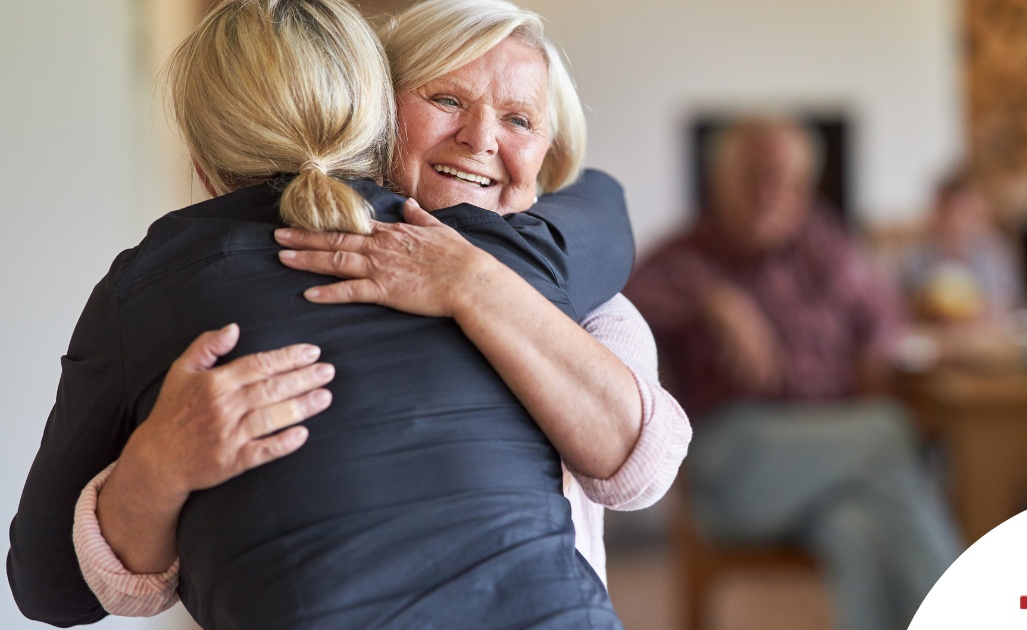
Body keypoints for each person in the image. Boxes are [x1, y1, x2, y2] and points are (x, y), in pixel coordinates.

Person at [9, 1, 689, 627]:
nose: (482, 138)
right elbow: (606, 205)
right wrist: (156, 468)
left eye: (520, 119)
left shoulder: (552, 277)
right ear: (375, 117)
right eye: (446, 99)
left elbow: (642, 471)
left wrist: (473, 283)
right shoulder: (539, 251)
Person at [625, 118, 960, 630]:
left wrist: (875, 350)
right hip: (734, 466)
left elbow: (887, 319)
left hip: (833, 464)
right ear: (720, 180)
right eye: (755, 176)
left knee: (858, 526)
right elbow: (618, 306)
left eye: (787, 180)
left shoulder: (824, 244)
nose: (771, 194)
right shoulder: (683, 256)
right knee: (890, 432)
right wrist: (713, 299)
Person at [901, 170, 1022, 325]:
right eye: (948, 210)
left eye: (963, 210)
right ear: (937, 213)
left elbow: (1007, 304)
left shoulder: (995, 254)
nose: (955, 220)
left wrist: (978, 312)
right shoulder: (917, 257)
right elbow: (903, 307)